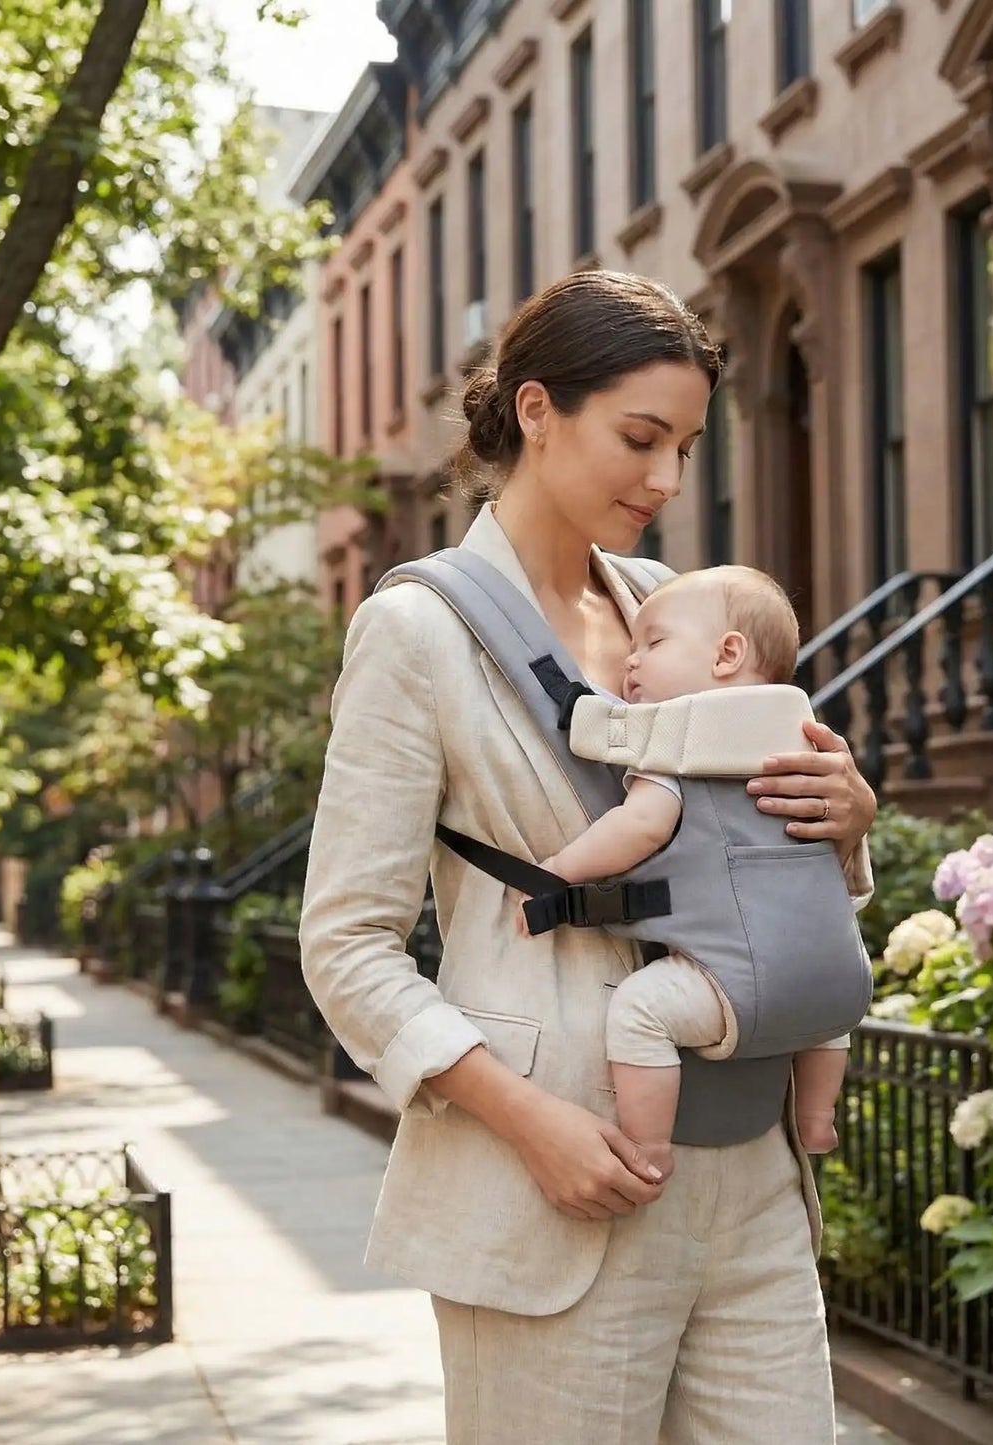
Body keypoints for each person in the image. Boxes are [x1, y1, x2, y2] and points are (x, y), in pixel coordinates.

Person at [300, 269, 877, 1445]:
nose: (667, 479)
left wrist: (842, 821)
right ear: (533, 411)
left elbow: (767, 857)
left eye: (685, 445)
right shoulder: (415, 631)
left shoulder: (681, 607)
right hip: (553, 1180)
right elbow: (346, 946)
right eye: (639, 438)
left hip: (750, 1168)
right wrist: (527, 1123)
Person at [530, 563, 862, 1183]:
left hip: (734, 977)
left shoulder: (683, 744)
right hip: (837, 980)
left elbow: (639, 828)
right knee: (823, 1016)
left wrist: (558, 871)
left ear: (727, 654)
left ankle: (651, 1146)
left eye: (653, 643)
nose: (631, 662)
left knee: (638, 1012)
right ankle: (818, 1119)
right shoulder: (807, 741)